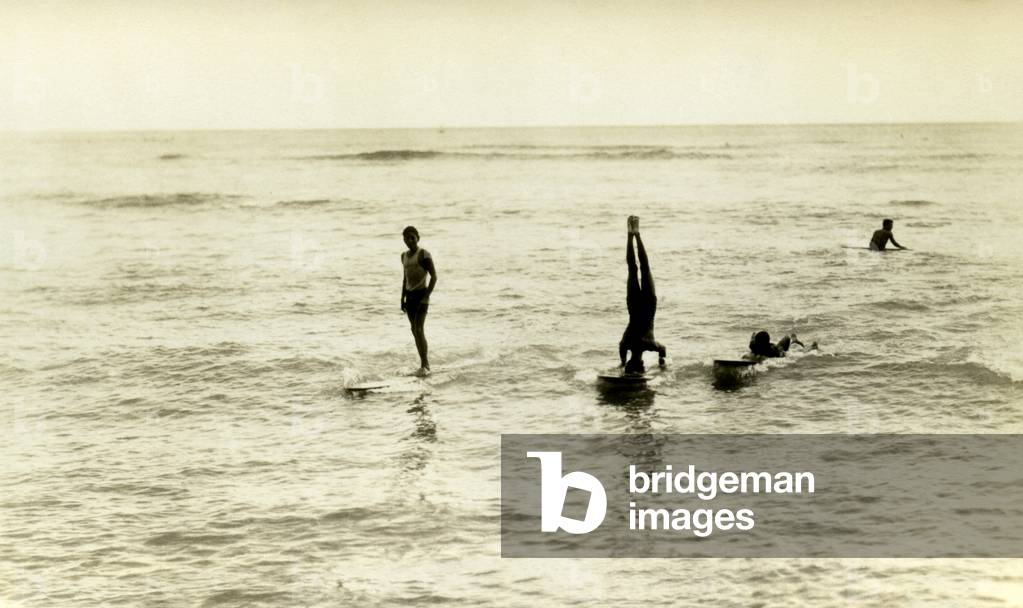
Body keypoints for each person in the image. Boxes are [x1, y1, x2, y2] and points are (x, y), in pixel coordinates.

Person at [619, 216, 667, 374]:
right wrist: (622, 362)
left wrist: (661, 362)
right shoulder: (626, 343)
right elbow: (621, 349)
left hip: (647, 305)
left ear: (643, 364)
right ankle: (632, 234)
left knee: (644, 268)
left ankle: (635, 234)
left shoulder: (649, 344)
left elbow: (663, 349)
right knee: (633, 268)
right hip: (633, 306)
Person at [400, 226, 437, 377]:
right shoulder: (403, 256)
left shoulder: (423, 254)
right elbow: (405, 279)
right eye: (406, 238)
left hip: (422, 295)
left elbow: (434, 276)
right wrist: (402, 299)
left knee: (419, 329)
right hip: (410, 297)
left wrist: (426, 296)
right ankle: (423, 364)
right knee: (414, 331)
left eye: (412, 238)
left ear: (417, 238)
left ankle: (425, 365)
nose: (409, 241)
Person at [746, 331, 816, 359]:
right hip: (770, 346)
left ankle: (811, 346)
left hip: (778, 348)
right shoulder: (754, 345)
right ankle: (794, 339)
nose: (756, 342)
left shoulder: (772, 351)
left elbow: (781, 354)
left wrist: (782, 353)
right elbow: (752, 342)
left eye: (757, 340)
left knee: (787, 338)